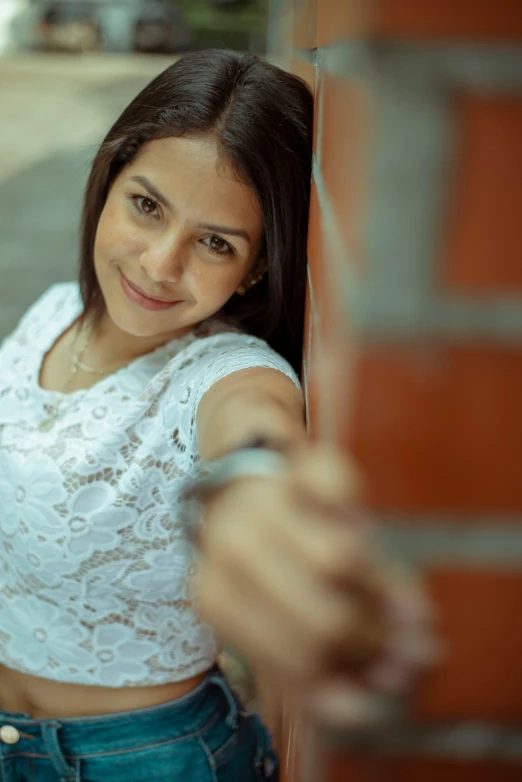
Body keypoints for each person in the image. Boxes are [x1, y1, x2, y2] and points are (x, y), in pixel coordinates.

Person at [0, 50, 434, 782]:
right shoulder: (54, 311)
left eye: (215, 242)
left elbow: (255, 432)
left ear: (257, 265)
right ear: (108, 185)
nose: (159, 265)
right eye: (146, 206)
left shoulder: (228, 373)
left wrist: (259, 489)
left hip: (147, 762)